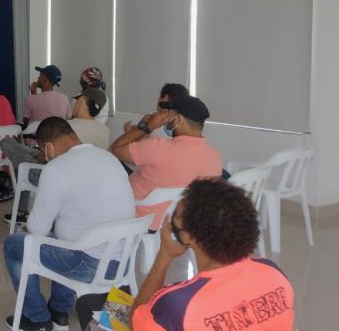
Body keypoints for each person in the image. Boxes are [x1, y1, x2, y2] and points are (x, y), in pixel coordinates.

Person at [4, 117, 134, 331]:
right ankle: (59, 312)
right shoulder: (108, 157)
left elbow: (37, 230)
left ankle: (36, 318)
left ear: (48, 147)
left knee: (15, 244)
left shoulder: (56, 169)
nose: (44, 157)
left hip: (90, 265)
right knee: (64, 237)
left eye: (42, 151)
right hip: (123, 260)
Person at [132, 178, 294, 330]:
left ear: (189, 236)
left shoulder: (178, 304)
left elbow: (136, 320)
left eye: (177, 216)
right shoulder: (273, 271)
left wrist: (164, 256)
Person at [0, 89, 111, 227]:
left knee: (10, 148)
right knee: (28, 155)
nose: (75, 103)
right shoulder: (105, 131)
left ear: (85, 103)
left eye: (79, 100)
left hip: (52, 176)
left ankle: (21, 212)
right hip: (84, 180)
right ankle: (21, 211)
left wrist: (33, 154)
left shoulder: (68, 127)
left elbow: (46, 156)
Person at [109, 95, 222, 231]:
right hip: (182, 224)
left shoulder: (158, 147)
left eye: (170, 116)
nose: (167, 121)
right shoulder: (215, 155)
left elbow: (115, 149)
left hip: (141, 218)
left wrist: (147, 127)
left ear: (179, 119)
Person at [122, 83, 190, 140]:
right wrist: (130, 131)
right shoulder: (149, 118)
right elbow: (140, 140)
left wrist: (128, 133)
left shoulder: (183, 125)